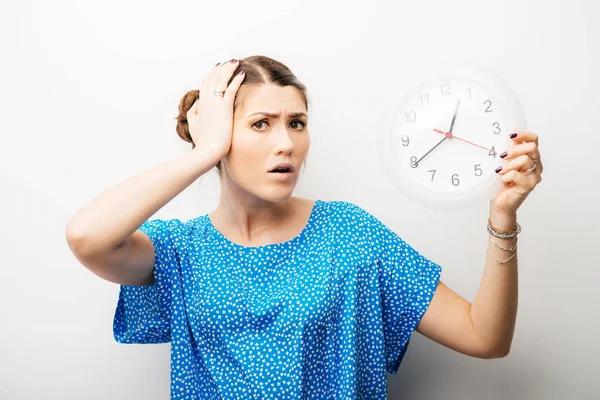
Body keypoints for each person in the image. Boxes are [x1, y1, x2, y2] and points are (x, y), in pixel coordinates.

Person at [65, 55, 543, 399]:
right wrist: (204, 153)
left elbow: (485, 337)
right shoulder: (180, 249)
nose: (287, 143)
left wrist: (503, 218)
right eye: (260, 124)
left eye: (297, 123)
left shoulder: (349, 234)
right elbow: (87, 237)